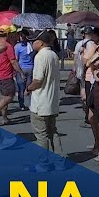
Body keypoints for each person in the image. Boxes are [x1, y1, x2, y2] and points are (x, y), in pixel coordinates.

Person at [25, 30, 69, 172]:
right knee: (52, 132)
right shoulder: (53, 55)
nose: (32, 43)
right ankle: (60, 161)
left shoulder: (40, 56)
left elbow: (38, 80)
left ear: (41, 42)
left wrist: (28, 88)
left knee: (41, 135)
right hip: (52, 101)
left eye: (34, 40)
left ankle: (43, 164)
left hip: (40, 102)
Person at [14, 30, 35, 110]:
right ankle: (30, 104)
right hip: (30, 68)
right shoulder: (31, 46)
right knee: (29, 88)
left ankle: (22, 105)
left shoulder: (17, 46)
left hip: (21, 68)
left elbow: (16, 59)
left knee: (21, 88)